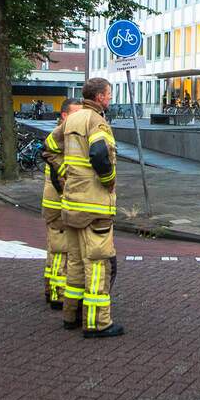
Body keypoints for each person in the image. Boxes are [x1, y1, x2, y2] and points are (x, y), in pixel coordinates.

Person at [57, 77, 124, 338]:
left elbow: (51, 147)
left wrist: (67, 174)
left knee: (74, 262)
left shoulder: (72, 119)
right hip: (94, 203)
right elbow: (99, 154)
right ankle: (97, 323)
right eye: (108, 94)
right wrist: (108, 181)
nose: (110, 99)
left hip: (72, 201)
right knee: (98, 263)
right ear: (98, 97)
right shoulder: (97, 121)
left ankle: (70, 315)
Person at [40, 97, 82, 310]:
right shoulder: (61, 138)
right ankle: (58, 292)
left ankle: (50, 286)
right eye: (76, 114)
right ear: (64, 116)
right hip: (58, 201)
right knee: (60, 248)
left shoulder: (59, 136)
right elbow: (59, 175)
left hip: (53, 200)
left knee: (54, 246)